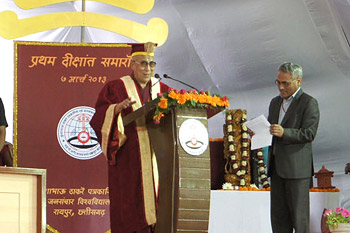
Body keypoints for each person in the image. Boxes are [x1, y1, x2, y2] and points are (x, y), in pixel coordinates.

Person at [90, 42, 169, 233]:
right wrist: (116, 109)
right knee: (129, 209)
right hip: (129, 160)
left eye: (151, 64)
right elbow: (98, 118)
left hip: (159, 159)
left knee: (162, 207)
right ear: (132, 64)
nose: (147, 68)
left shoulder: (164, 90)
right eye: (143, 63)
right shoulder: (116, 88)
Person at [267, 62, 320, 233]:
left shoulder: (308, 102)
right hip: (276, 169)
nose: (281, 87)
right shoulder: (275, 103)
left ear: (298, 81)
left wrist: (285, 132)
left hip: (297, 171)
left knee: (299, 219)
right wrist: (260, 132)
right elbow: (271, 129)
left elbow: (309, 134)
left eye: (285, 83)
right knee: (278, 218)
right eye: (278, 82)